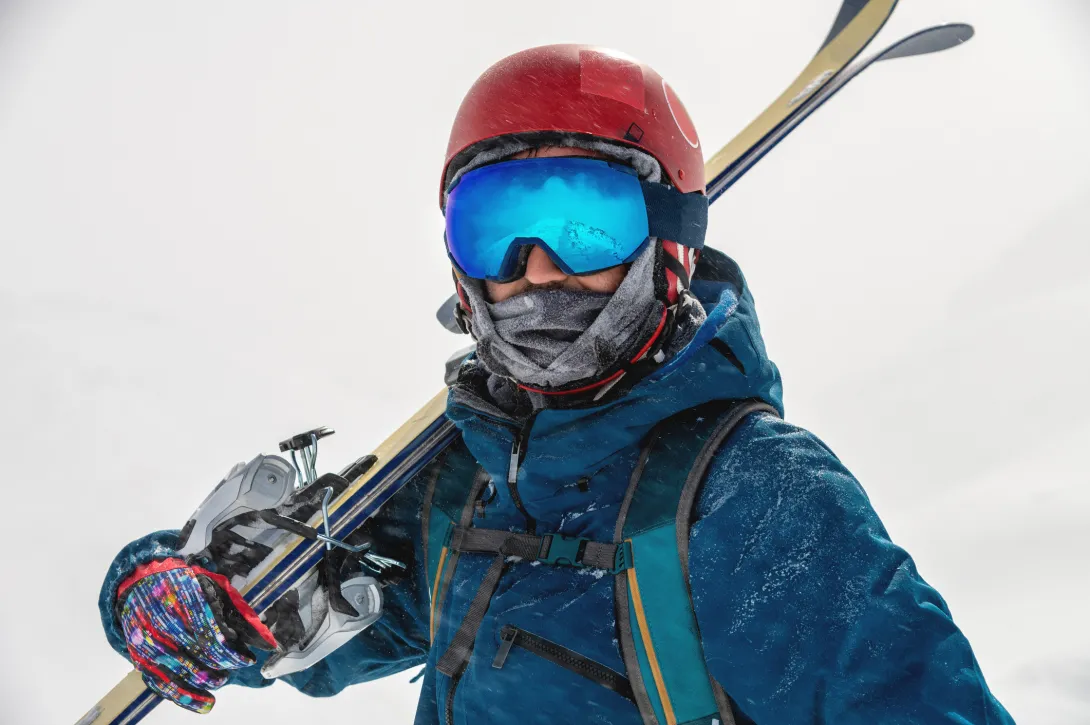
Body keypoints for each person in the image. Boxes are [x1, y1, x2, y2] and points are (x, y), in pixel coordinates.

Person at [97, 45, 1014, 724]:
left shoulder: (755, 494)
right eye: (494, 226)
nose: (534, 272)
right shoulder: (466, 474)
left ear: (669, 245)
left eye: (584, 224)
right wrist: (177, 593)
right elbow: (299, 612)